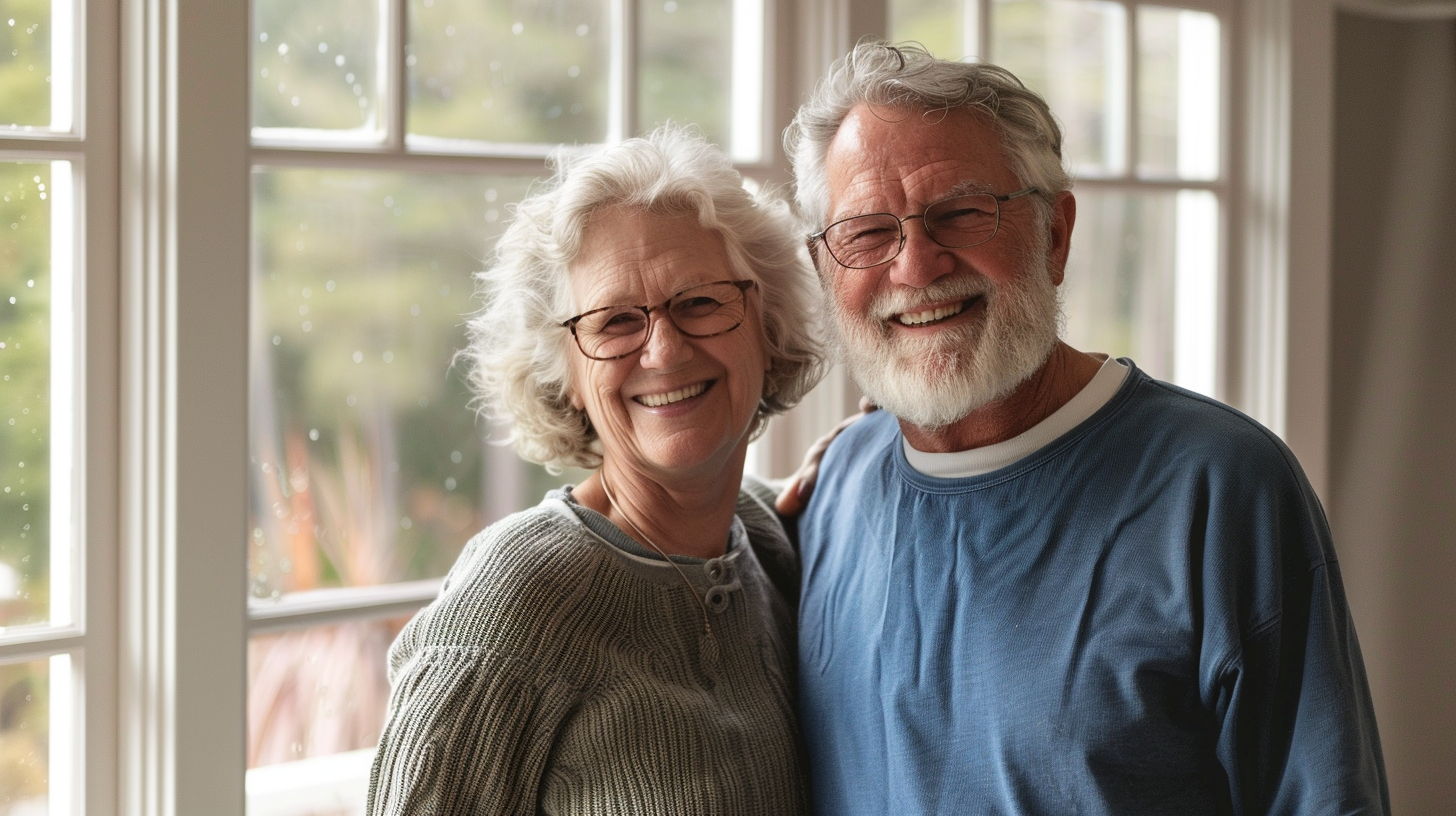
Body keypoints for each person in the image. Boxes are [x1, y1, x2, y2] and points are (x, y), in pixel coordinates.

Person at [785, 41, 1389, 815]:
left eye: (962, 212)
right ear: (825, 269)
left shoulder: (1220, 486)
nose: (916, 266)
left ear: (1055, 234)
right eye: (867, 232)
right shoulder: (831, 488)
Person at [366, 126, 823, 815]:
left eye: (699, 302)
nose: (664, 351)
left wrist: (863, 456)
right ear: (566, 375)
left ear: (768, 325)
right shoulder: (513, 605)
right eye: (614, 323)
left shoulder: (767, 538)